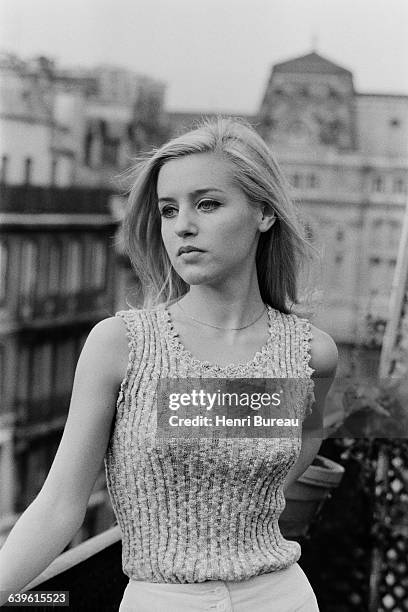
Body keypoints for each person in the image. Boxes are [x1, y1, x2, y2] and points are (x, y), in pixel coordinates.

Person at [0, 117, 338, 611]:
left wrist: (241, 503)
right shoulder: (120, 346)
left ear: (264, 212)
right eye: (168, 209)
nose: (183, 225)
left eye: (208, 204)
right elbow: (57, 507)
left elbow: (305, 440)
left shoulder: (311, 353)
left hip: (280, 596)